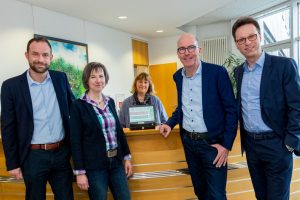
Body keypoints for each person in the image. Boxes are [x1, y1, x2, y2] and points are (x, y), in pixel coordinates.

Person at [159, 33, 238, 200]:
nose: (186, 53)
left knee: (216, 195)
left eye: (191, 48)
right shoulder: (178, 76)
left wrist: (226, 145)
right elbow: (183, 107)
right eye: (182, 49)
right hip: (189, 143)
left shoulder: (217, 73)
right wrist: (170, 123)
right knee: (200, 192)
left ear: (199, 50)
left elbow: (232, 109)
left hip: (213, 145)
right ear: (178, 53)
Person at [232, 16, 300, 200]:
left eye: (251, 37)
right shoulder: (239, 72)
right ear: (237, 45)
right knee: (261, 196)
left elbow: (297, 106)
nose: (247, 43)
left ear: (260, 37)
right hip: (252, 147)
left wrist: (290, 142)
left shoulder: (284, 66)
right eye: (241, 40)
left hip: (277, 145)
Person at [1, 37, 74, 200]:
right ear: (27, 55)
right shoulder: (11, 86)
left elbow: (74, 108)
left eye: (45, 55)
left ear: (51, 58)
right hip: (32, 157)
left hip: (61, 153)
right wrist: (12, 163)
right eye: (35, 54)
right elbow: (8, 127)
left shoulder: (60, 78)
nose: (40, 60)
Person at [70, 62, 132, 200]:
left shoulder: (110, 101)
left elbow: (119, 132)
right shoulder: (78, 106)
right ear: (87, 79)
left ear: (106, 79)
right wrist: (80, 172)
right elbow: (75, 141)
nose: (98, 80)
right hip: (94, 167)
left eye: (101, 76)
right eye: (93, 77)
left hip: (116, 162)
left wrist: (127, 157)